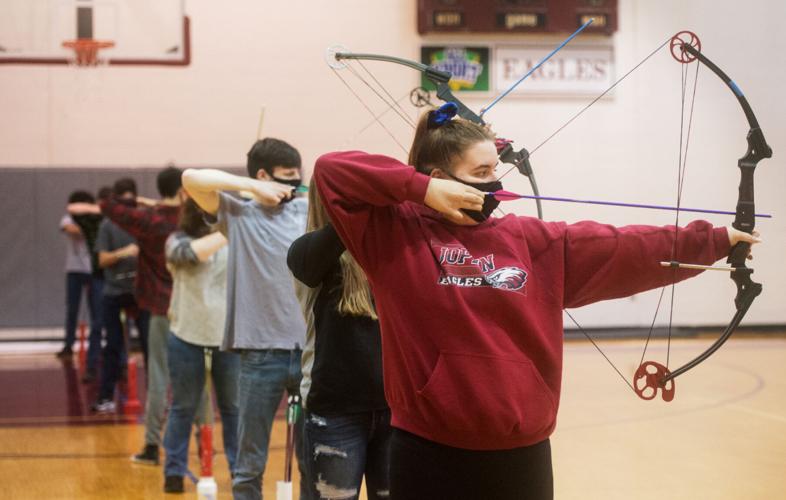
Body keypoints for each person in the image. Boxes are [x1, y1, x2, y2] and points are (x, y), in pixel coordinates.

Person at [311, 104, 762, 500]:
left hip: (521, 454)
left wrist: (717, 240)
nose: (495, 183)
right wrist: (421, 193)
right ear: (440, 180)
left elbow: (626, 247)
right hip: (425, 450)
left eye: (496, 171)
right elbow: (332, 170)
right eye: (481, 173)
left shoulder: (533, 241)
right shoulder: (396, 237)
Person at [182, 137, 310, 500]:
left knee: (313, 463)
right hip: (259, 356)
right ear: (263, 175)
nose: (292, 186)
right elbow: (191, 178)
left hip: (309, 353)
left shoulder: (306, 212)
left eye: (297, 179)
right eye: (285, 178)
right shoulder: (237, 215)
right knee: (248, 467)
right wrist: (252, 188)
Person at [287, 179, 391, 500]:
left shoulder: (387, 255)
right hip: (335, 413)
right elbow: (326, 247)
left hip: (394, 410)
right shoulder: (309, 253)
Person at [100, 166, 184, 465]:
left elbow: (106, 202)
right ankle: (203, 444)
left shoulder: (152, 220)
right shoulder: (196, 217)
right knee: (198, 381)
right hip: (193, 311)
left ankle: (151, 447)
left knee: (158, 376)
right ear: (184, 189)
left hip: (161, 309)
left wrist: (143, 202)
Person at [161, 198, 239, 493]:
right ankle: (173, 471)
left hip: (227, 338)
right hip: (186, 336)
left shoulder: (234, 242)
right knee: (183, 407)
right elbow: (192, 254)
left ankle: (238, 471)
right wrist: (230, 229)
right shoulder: (176, 241)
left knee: (233, 409)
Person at [91, 178, 148, 413]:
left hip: (141, 292)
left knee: (151, 346)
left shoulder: (144, 222)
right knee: (113, 346)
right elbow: (102, 260)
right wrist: (126, 252)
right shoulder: (108, 225)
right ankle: (106, 397)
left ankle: (158, 401)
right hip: (114, 292)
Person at [61, 190, 105, 383]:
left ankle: (95, 352)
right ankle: (68, 344)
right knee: (72, 308)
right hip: (74, 270)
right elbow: (71, 229)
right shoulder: (69, 218)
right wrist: (87, 225)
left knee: (96, 313)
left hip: (92, 271)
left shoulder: (96, 219)